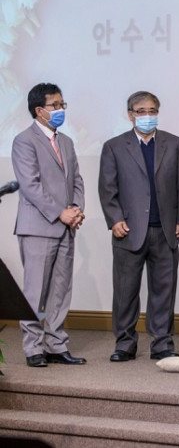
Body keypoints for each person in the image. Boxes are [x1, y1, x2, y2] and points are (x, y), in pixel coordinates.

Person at [99, 91, 179, 362]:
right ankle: (125, 343)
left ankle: (162, 343)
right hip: (128, 231)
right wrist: (115, 219)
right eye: (141, 111)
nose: (147, 116)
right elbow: (107, 188)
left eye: (152, 111)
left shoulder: (174, 144)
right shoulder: (114, 146)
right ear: (130, 115)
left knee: (164, 290)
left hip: (165, 230)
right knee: (125, 291)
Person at [11, 83, 86, 367]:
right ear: (39, 110)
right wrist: (60, 213)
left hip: (66, 226)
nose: (60, 110)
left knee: (60, 290)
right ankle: (33, 347)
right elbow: (30, 185)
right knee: (35, 291)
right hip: (38, 227)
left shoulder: (66, 141)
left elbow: (76, 179)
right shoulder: (24, 141)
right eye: (55, 105)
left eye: (62, 104)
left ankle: (56, 344)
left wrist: (76, 209)